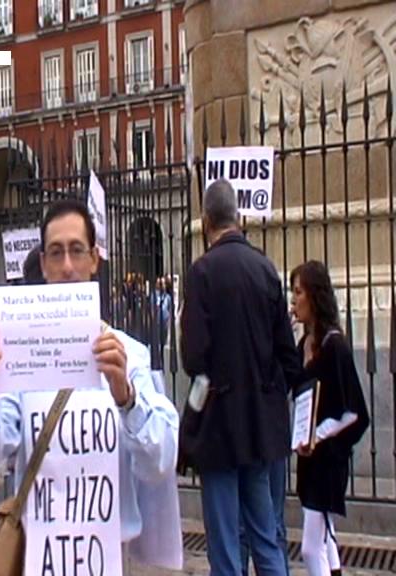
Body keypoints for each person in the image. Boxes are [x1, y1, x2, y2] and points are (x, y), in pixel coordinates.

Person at [0, 199, 183, 572]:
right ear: (44, 264)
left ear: (94, 260)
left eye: (76, 251)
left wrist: (127, 398)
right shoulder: (19, 354)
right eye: (56, 253)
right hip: (40, 556)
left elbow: (160, 460)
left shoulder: (128, 354)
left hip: (109, 556)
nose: (67, 266)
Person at [179, 179, 303, 576]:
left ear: (206, 219)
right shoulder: (266, 268)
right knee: (266, 533)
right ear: (237, 217)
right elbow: (288, 353)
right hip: (262, 426)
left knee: (225, 543)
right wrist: (268, 396)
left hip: (218, 423)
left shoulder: (202, 272)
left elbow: (194, 357)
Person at [290, 261, 370, 576]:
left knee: (311, 546)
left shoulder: (335, 347)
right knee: (326, 538)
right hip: (309, 461)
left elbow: (355, 412)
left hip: (328, 461)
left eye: (298, 292)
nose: (293, 300)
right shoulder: (302, 346)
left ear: (315, 296)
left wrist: (318, 435)